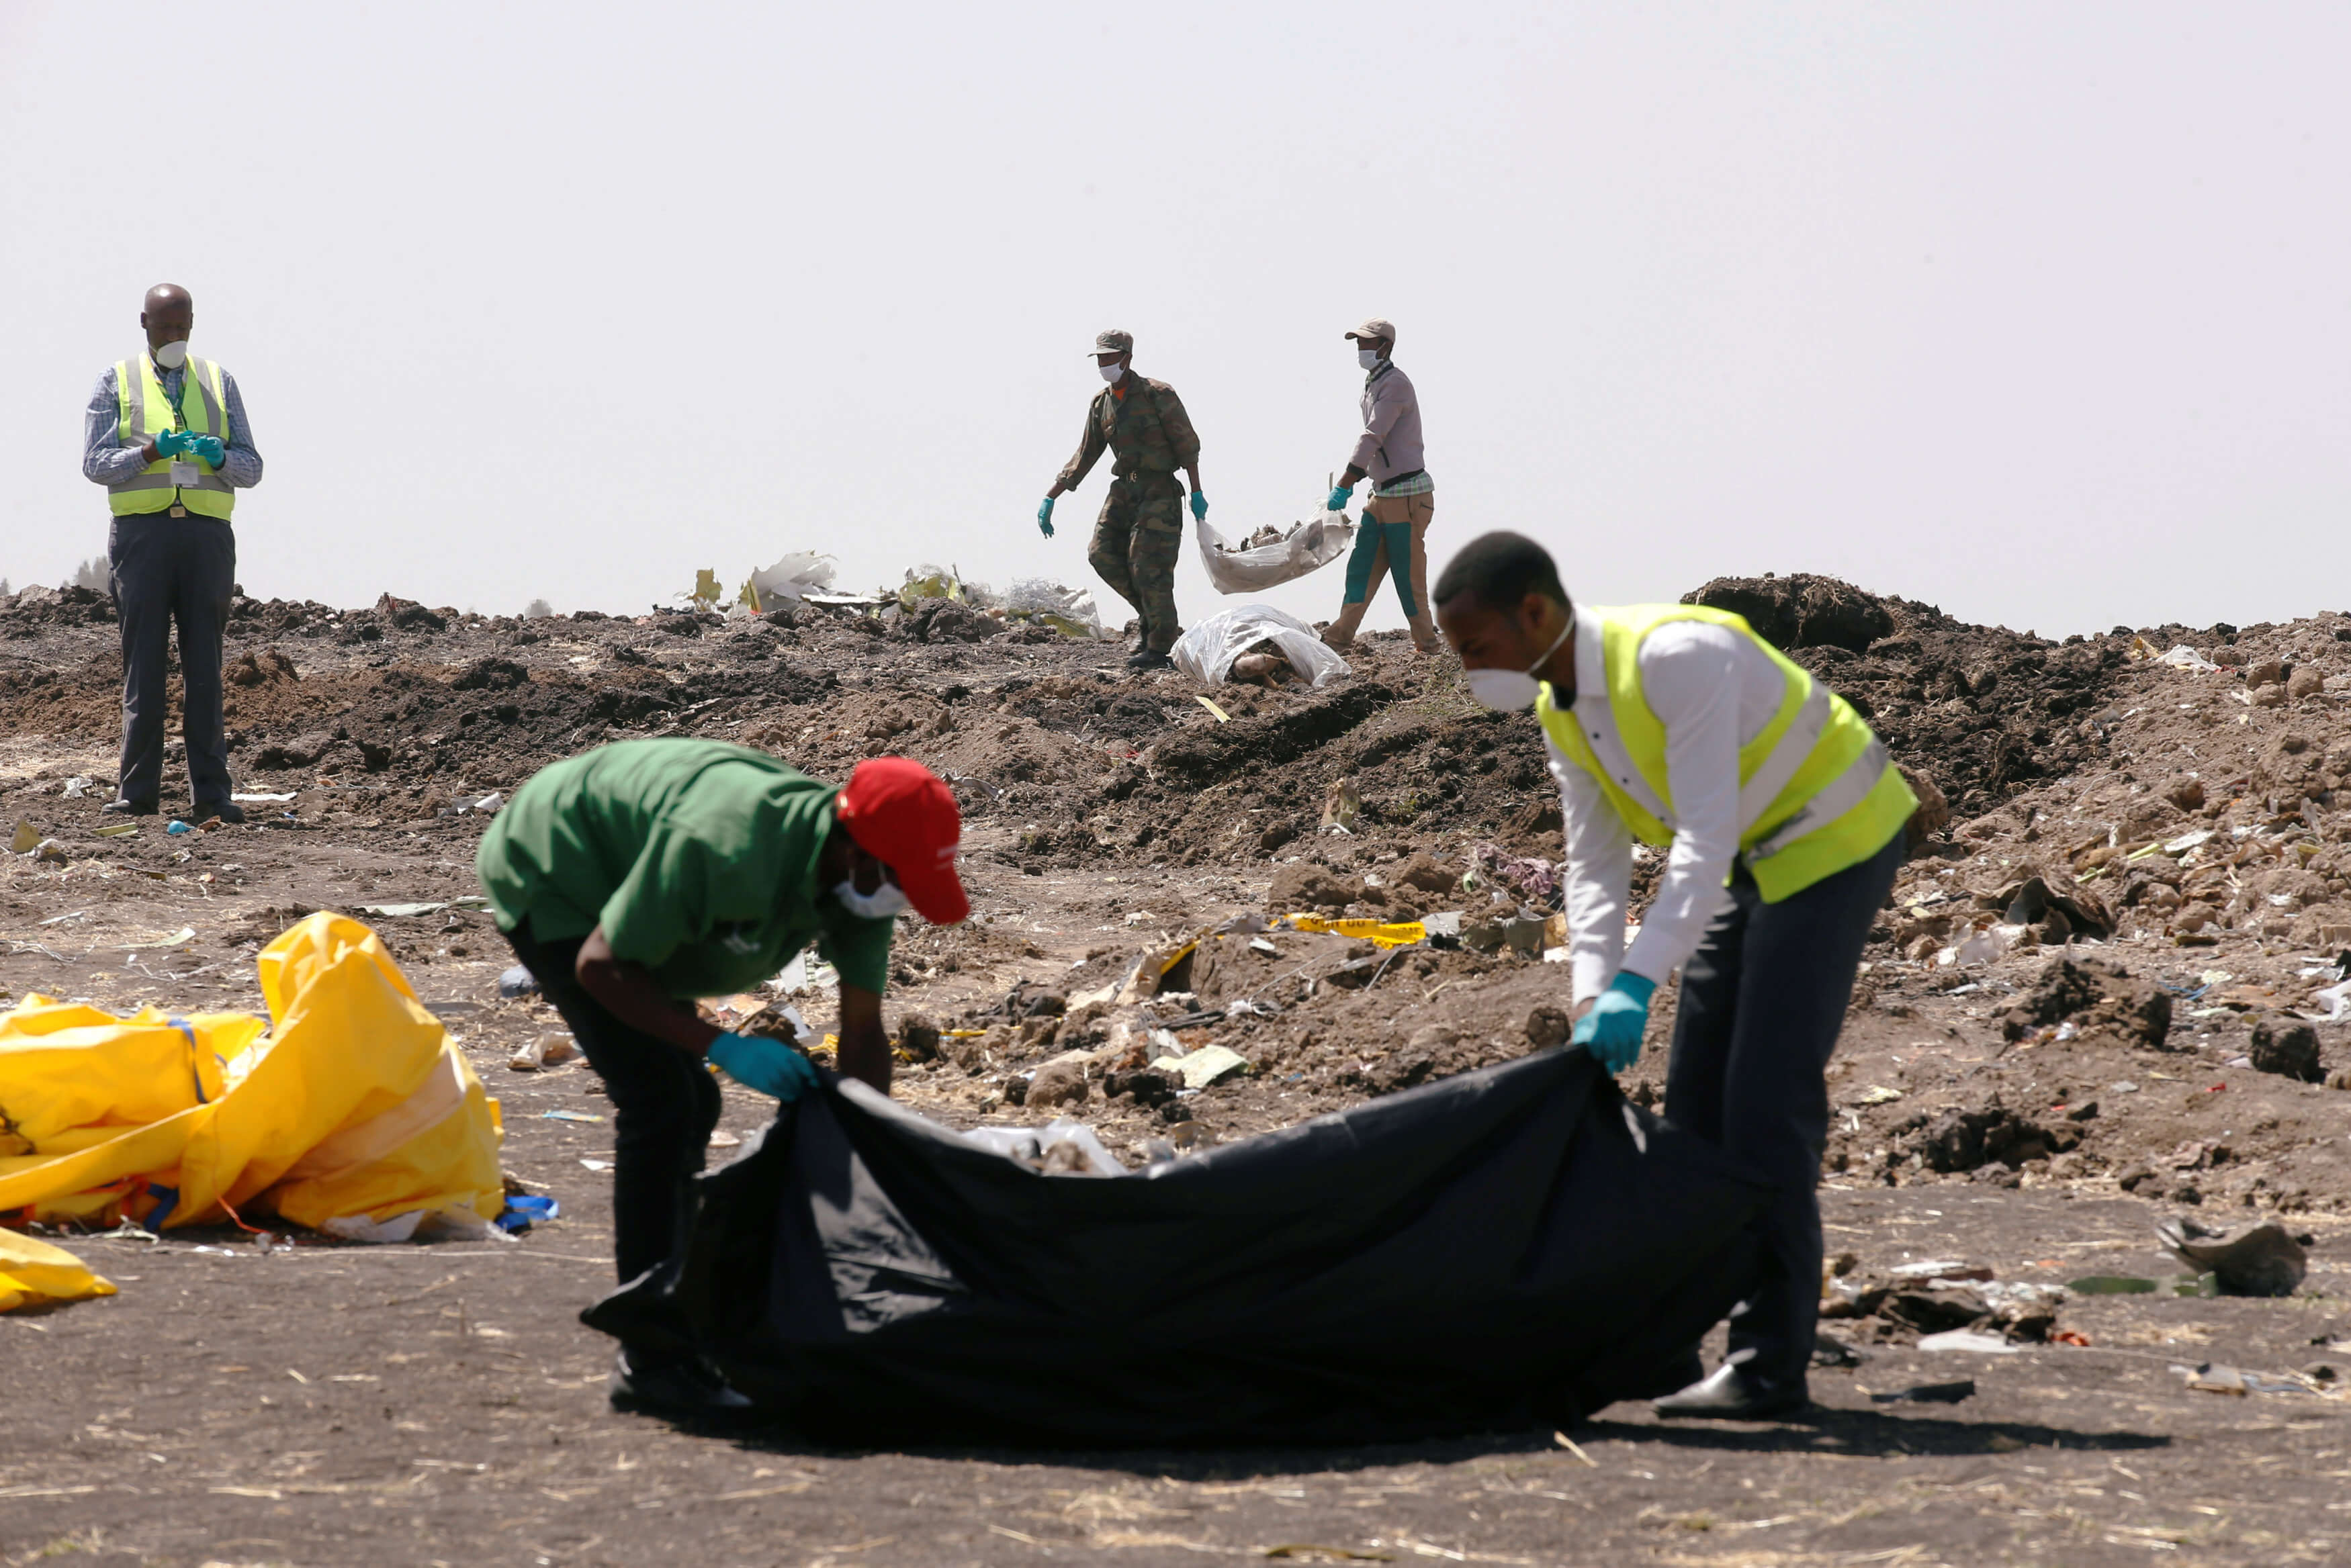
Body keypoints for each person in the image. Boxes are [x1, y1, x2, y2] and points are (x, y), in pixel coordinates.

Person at [1431, 532, 1916, 1420]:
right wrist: (1591, 991)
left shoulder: (1675, 660)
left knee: (1766, 1104)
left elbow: (1700, 840)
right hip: (1748, 867)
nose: (1471, 671)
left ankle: (1769, 1365)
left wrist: (1638, 982)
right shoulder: (1562, 707)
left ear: (1534, 611)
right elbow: (1594, 866)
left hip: (1833, 838)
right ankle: (1668, 1346)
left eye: (1476, 648)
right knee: (1692, 1110)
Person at [476, 740, 969, 1416]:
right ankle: (652, 1359)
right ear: (855, 854)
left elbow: (861, 1035)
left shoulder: (857, 891)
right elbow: (602, 967)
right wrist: (725, 1047)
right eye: (900, 882)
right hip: (562, 865)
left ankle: (682, 1317)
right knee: (665, 1102)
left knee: (685, 1098)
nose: (900, 901)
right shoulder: (728, 849)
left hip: (650, 896)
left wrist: (863, 1137)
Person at [82, 283, 264, 823]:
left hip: (206, 539)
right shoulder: (115, 380)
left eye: (183, 327)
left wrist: (221, 458)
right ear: (144, 324)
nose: (175, 337)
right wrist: (149, 452)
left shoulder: (219, 380)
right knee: (144, 667)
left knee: (205, 668)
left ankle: (212, 795)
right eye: (165, 327)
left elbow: (252, 467)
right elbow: (95, 463)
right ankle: (137, 794)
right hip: (143, 538)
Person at [1037, 329, 1206, 671]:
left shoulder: (1158, 394)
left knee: (1149, 566)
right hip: (1123, 491)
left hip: (1158, 489)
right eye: (1100, 358)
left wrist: (1198, 491)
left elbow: (1187, 445)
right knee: (1101, 554)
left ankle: (1161, 648)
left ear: (1127, 358)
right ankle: (1153, 619)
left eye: (1110, 357)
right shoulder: (1102, 404)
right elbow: (1086, 454)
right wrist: (1051, 496)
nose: (1104, 364)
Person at [1321, 318, 1436, 655]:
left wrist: (1346, 482)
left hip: (1408, 495)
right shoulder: (1374, 383)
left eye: (1367, 343)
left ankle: (1428, 647)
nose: (1361, 348)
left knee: (1407, 575)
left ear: (1385, 346)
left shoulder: (1396, 385)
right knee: (1362, 568)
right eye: (1358, 343)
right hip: (1382, 495)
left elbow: (1374, 436)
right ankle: (1338, 640)